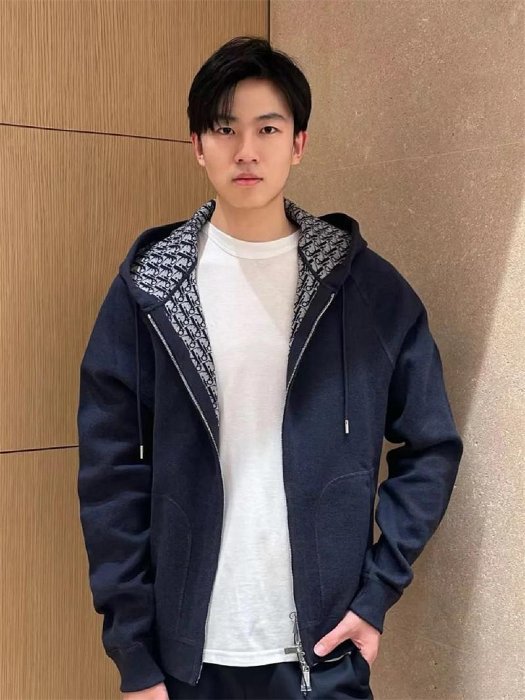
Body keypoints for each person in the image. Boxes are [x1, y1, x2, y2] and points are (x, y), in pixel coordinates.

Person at [77, 36, 464, 700]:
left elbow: (431, 445)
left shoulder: (367, 292)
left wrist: (377, 590)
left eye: (267, 128)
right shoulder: (151, 289)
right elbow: (110, 475)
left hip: (323, 653)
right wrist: (134, 654)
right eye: (224, 129)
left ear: (298, 143)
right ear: (198, 145)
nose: (246, 151)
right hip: (185, 659)